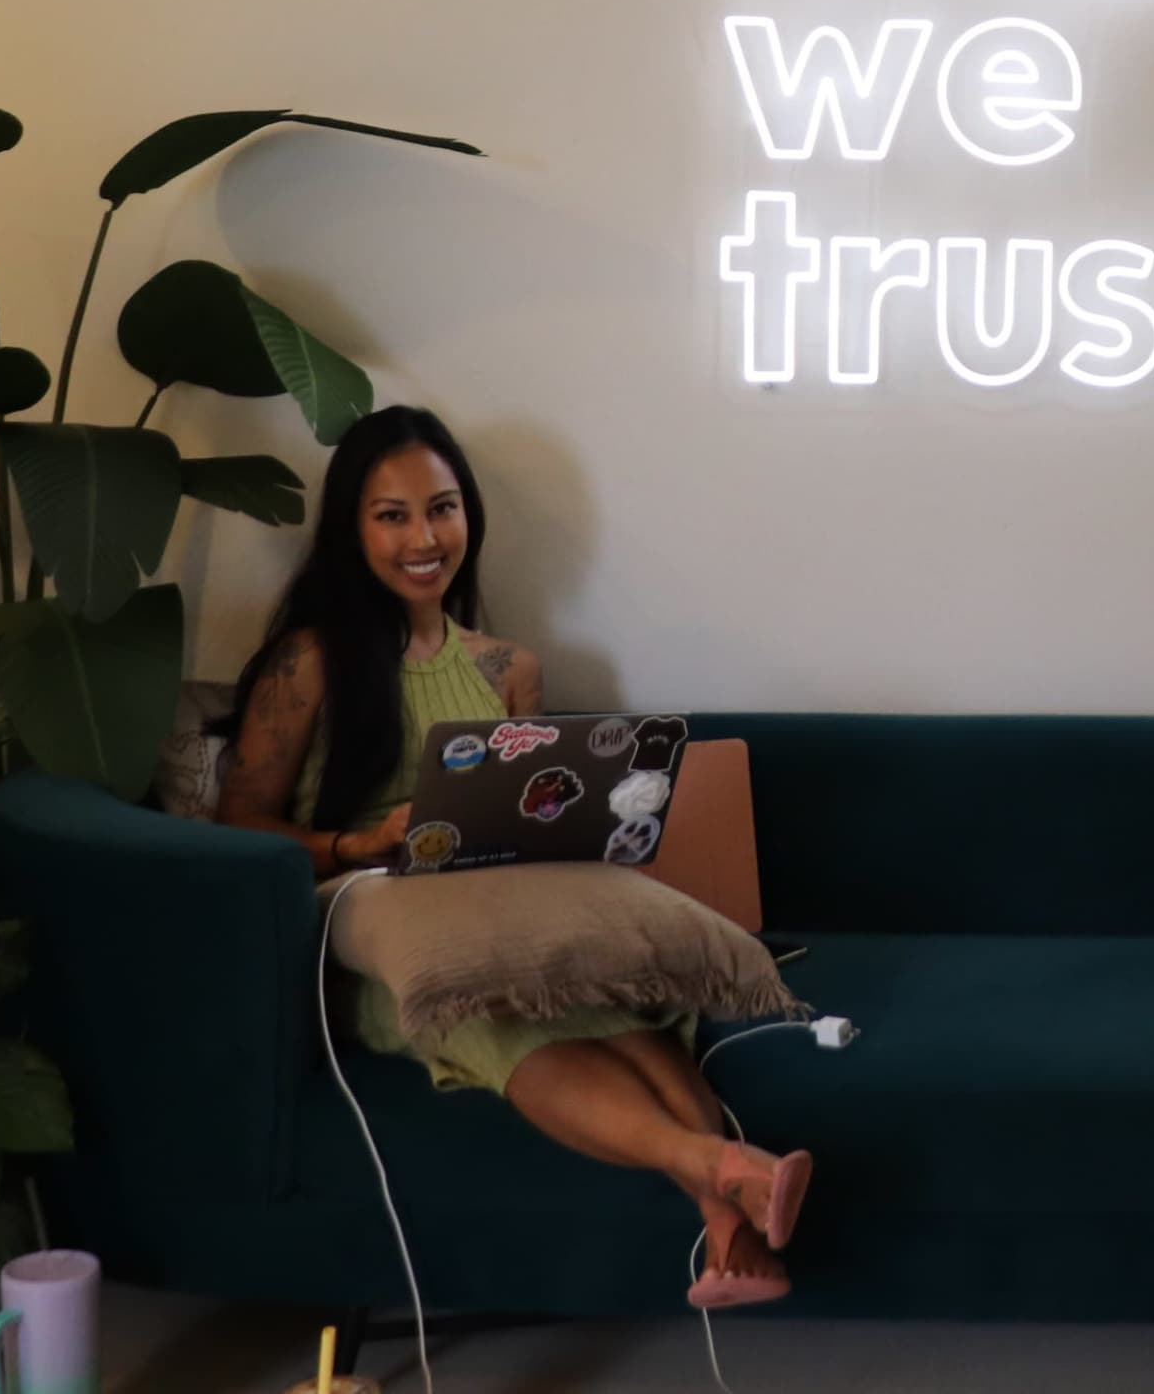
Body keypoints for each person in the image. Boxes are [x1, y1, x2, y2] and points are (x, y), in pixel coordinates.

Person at [217, 404, 812, 1308]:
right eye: (393, 515)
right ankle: (723, 1171)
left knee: (628, 1017)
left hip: (497, 901)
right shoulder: (310, 661)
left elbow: (522, 806)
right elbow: (239, 823)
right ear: (352, 528)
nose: (424, 537)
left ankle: (730, 1228)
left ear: (469, 516)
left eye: (443, 508)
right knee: (508, 1017)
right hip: (385, 939)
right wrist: (357, 841)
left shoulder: (507, 668)